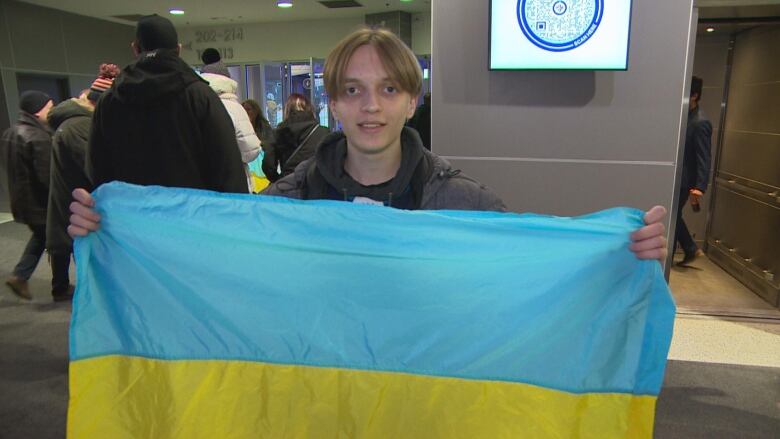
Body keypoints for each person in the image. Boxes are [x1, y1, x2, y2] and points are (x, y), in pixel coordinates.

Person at [69, 28, 667, 263]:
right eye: (352, 90)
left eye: (388, 88)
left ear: (412, 101)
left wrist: (618, 252)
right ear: (333, 102)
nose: (371, 106)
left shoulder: (461, 202)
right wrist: (118, 230)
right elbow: (213, 251)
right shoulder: (289, 202)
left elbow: (537, 263)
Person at [86, 14, 246, 193]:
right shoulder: (200, 96)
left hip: (131, 214)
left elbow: (97, 170)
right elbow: (228, 169)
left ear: (136, 48)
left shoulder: (109, 101)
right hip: (191, 215)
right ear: (178, 50)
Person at [46, 64, 120, 277]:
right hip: (80, 204)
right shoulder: (80, 126)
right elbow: (97, 169)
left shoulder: (73, 122)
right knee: (88, 261)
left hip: (74, 201)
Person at [1, 91, 72, 301]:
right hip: (41, 204)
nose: (52, 111)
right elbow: (47, 177)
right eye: (49, 107)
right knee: (60, 241)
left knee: (42, 238)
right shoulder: (38, 137)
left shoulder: (10, 133)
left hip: (22, 201)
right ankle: (59, 287)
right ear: (37, 109)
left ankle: (21, 276)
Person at [201, 66, 262, 192]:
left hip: (201, 182)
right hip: (233, 179)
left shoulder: (191, 103)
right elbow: (251, 150)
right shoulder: (234, 108)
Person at [675, 76, 712, 266]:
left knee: (673, 217)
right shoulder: (686, 117)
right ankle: (689, 248)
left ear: (695, 95)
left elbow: (704, 156)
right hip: (678, 178)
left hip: (685, 180)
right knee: (674, 217)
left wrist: (700, 187)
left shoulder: (700, 122)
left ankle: (688, 249)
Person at [262, 93, 329, 183]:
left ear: (287, 111)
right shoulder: (323, 132)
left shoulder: (277, 133)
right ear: (310, 110)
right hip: (318, 185)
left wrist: (279, 180)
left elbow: (268, 165)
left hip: (289, 186)